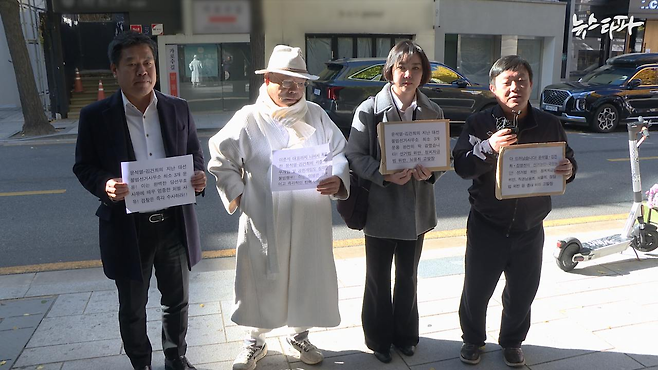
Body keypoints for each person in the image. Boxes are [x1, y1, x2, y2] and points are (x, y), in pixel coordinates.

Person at [207, 45, 349, 370]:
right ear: (267, 79)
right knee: (259, 278)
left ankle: (299, 334)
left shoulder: (316, 115)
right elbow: (220, 159)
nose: (291, 88)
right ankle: (254, 341)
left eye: (298, 82)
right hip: (264, 217)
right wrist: (239, 195)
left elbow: (339, 154)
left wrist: (338, 179)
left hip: (309, 215)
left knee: (306, 274)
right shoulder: (248, 118)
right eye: (283, 80)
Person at [73, 31, 206, 370]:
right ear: (115, 71)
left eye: (147, 63)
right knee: (132, 307)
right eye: (131, 64)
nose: (142, 71)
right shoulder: (95, 116)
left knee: (177, 301)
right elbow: (83, 165)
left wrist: (199, 179)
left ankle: (176, 358)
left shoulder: (178, 108)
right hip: (127, 227)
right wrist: (106, 184)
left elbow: (193, 155)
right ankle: (141, 364)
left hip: (173, 223)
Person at [452, 55, 577, 367]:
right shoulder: (479, 123)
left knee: (522, 292)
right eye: (507, 81)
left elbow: (569, 160)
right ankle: (472, 340)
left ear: (531, 85)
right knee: (477, 290)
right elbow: (462, 166)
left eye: (521, 80)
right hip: (486, 224)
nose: (515, 87)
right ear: (494, 88)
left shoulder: (549, 124)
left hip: (530, 228)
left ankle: (512, 342)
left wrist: (569, 168)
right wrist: (489, 146)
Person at [345, 40, 446, 364]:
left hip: (416, 211)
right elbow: (354, 155)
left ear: (423, 74)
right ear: (390, 70)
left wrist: (430, 172)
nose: (408, 74)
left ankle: (405, 336)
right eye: (402, 67)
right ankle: (378, 339)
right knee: (377, 278)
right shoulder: (370, 109)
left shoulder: (433, 110)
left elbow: (440, 158)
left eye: (416, 68)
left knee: (408, 277)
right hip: (380, 211)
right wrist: (383, 174)